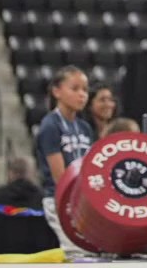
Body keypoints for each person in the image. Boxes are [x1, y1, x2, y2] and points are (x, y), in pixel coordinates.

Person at [34, 66, 93, 254]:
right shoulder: (50, 125)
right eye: (75, 89)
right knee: (76, 252)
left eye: (85, 89)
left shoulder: (84, 127)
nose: (82, 95)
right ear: (57, 91)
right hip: (60, 199)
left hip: (82, 199)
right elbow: (60, 177)